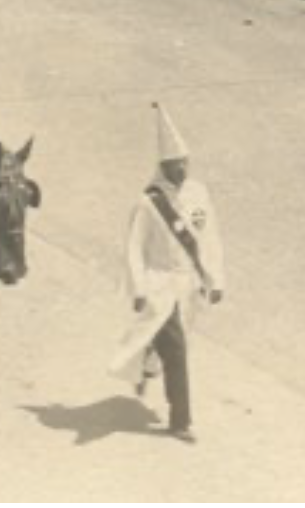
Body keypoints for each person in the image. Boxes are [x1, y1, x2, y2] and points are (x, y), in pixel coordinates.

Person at [110, 105, 224, 443]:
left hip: (188, 285)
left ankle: (149, 359)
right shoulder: (148, 203)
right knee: (177, 350)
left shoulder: (198, 193)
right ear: (163, 167)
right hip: (159, 284)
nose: (182, 169)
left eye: (185, 162)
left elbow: (209, 237)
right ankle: (181, 420)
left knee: (175, 342)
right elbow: (134, 247)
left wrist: (215, 279)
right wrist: (138, 289)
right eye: (176, 164)